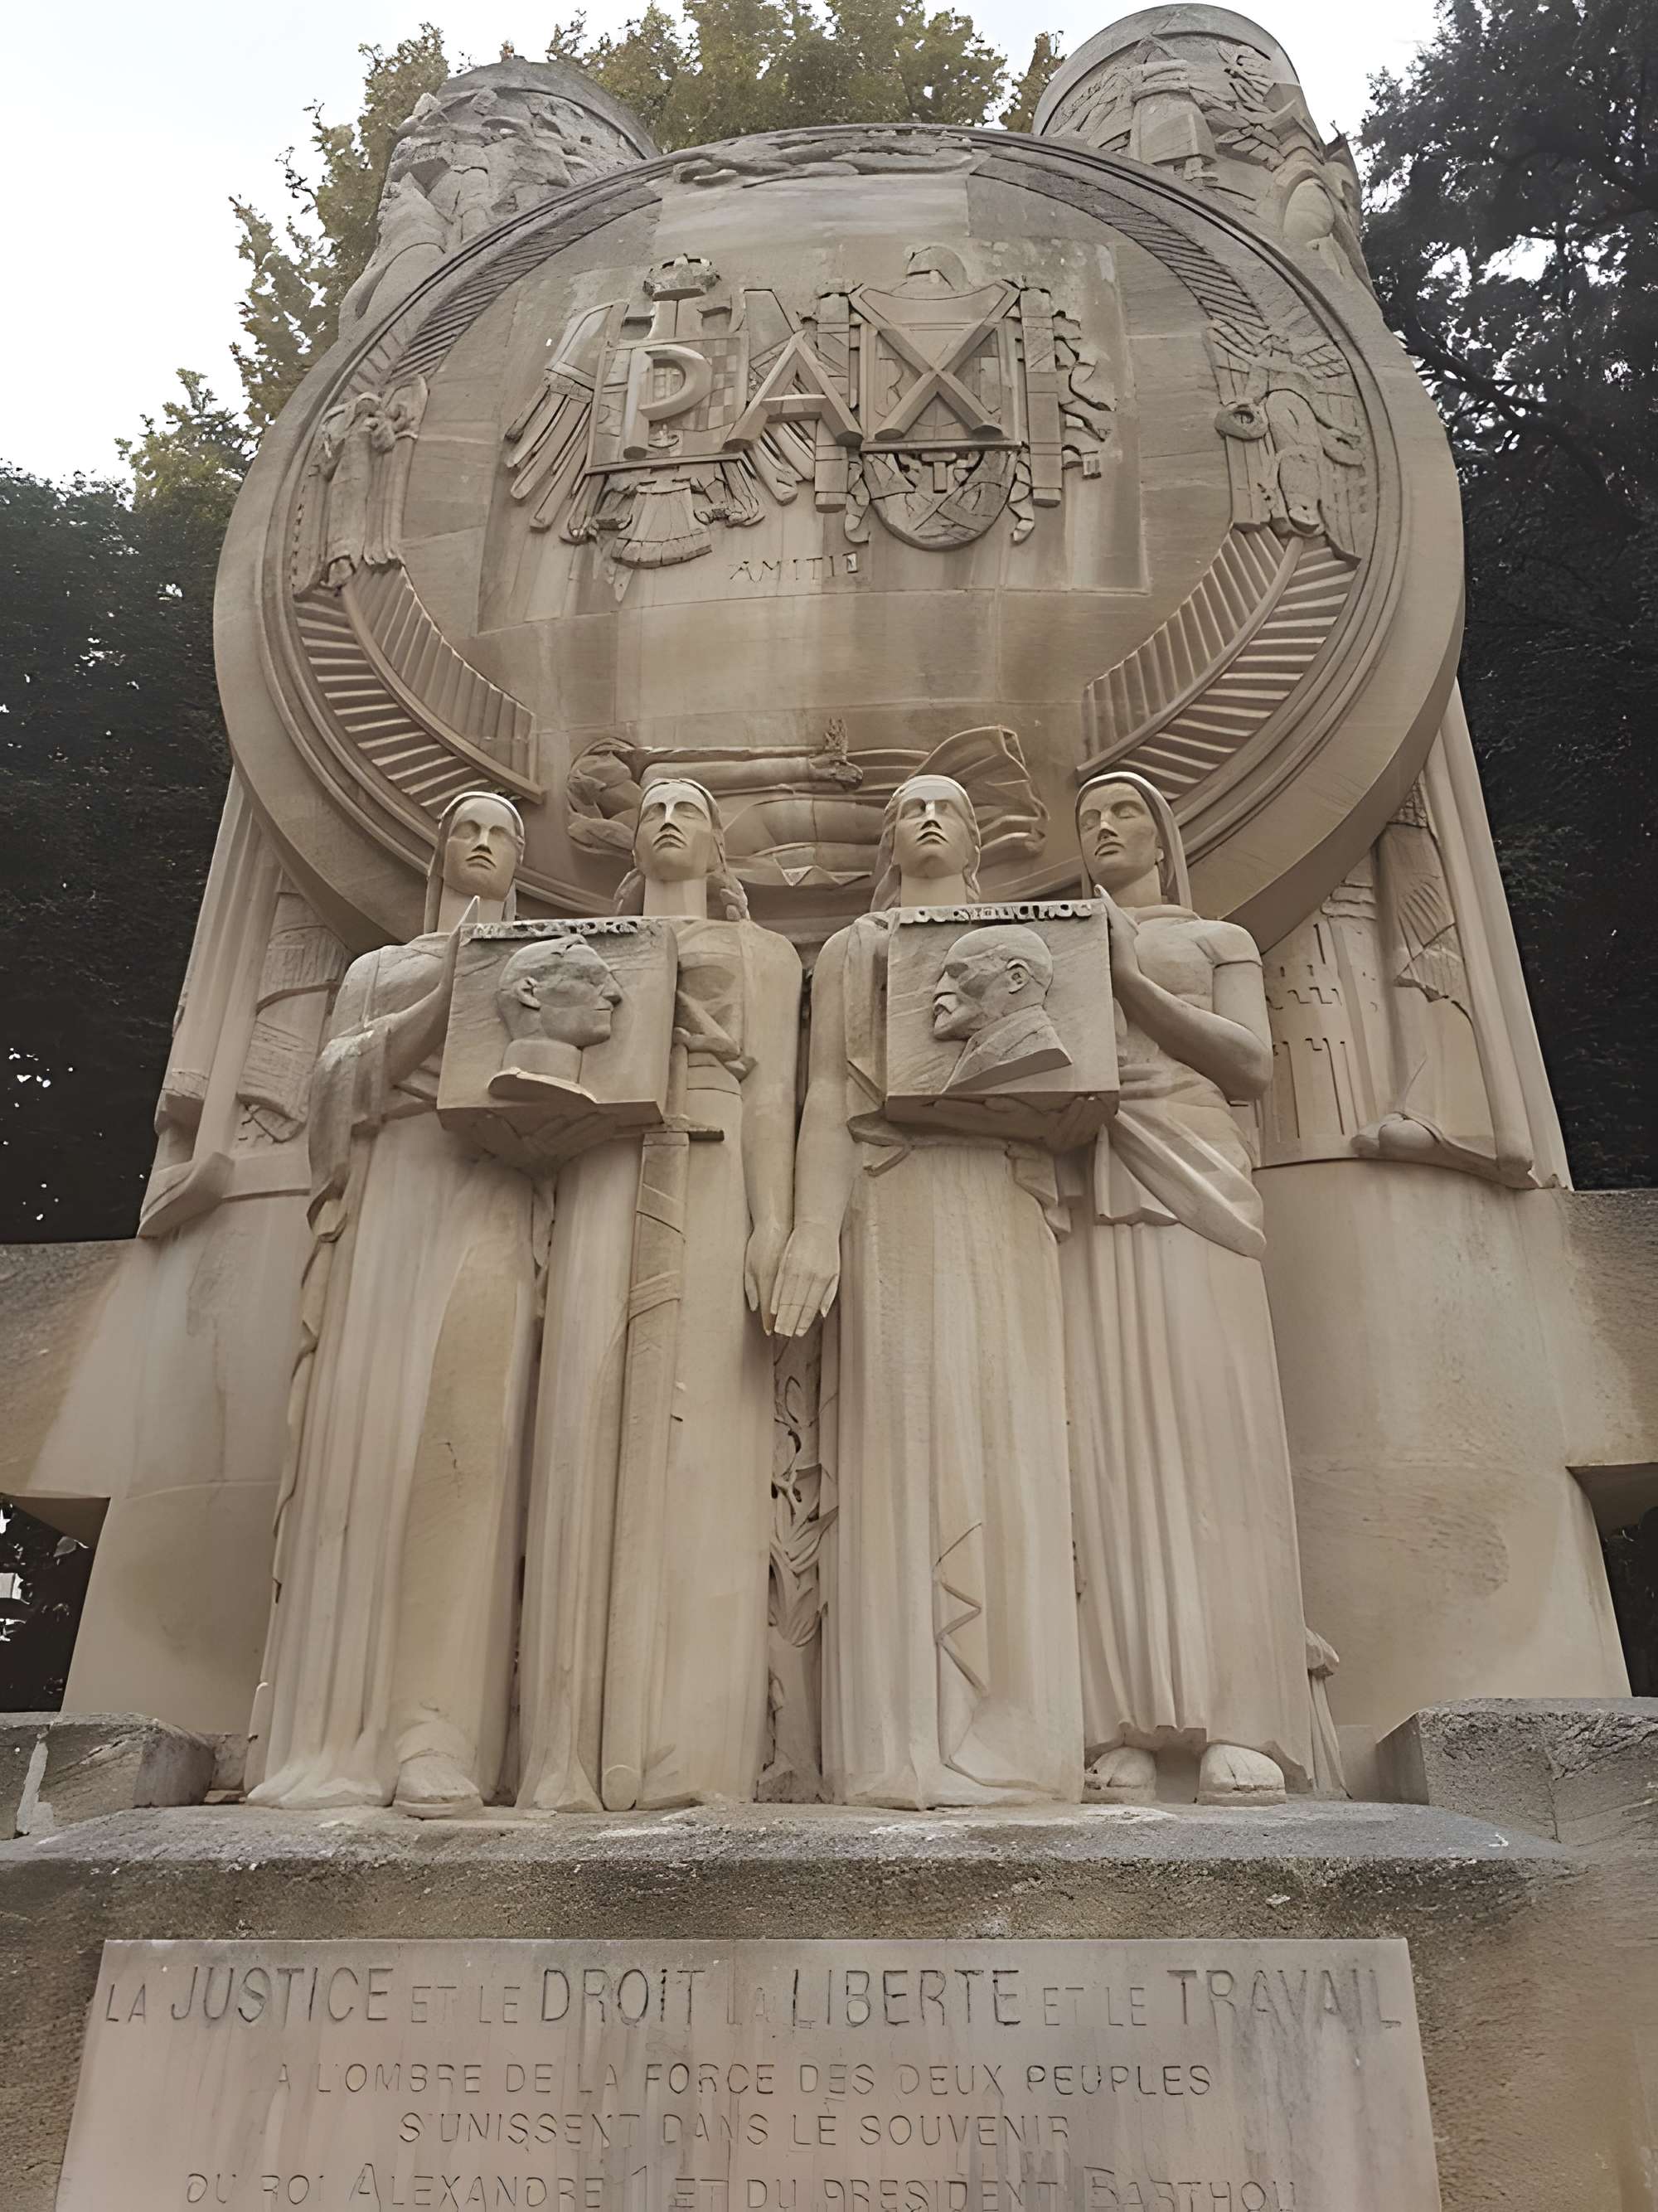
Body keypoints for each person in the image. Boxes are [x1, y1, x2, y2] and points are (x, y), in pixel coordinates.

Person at [770, 775, 1083, 1808]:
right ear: (889, 841)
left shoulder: (1029, 945)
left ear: (978, 835)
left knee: (1006, 1444)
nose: (928, 818)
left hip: (998, 1203)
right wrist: (812, 1227)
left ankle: (1017, 1737)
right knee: (898, 1443)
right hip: (888, 1205)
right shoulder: (855, 951)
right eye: (907, 808)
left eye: (946, 805)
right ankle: (900, 1742)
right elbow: (824, 1097)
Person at [248, 791, 539, 1817]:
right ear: (440, 853)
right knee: (367, 1450)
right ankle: (335, 1733)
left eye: (501, 833)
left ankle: (442, 1733)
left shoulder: (543, 951)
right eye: (466, 828)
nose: (480, 843)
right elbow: (335, 1090)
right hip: (396, 1196)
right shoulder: (378, 967)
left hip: (497, 1194)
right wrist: (438, 1002)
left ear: (520, 859)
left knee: (474, 1450)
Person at [517, 781, 801, 1811]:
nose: (669, 818)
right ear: (630, 841)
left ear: (719, 841)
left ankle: (686, 1745)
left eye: (689, 806)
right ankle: (562, 1749)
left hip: (718, 1164)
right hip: (605, 1159)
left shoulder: (765, 957)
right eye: (652, 809)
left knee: (704, 1439)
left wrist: (776, 1221)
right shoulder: (593, 944)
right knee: (581, 1430)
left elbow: (772, 1089)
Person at [1063, 772, 1313, 1805]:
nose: (1106, 828)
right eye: (1089, 818)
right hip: (1091, 1182)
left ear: (1160, 831)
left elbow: (1248, 1062)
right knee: (1106, 1453)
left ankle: (1238, 1718)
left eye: (1124, 811)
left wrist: (1130, 984)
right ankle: (1120, 1719)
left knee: (1215, 1444)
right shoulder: (1065, 937)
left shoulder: (1217, 942)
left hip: (1198, 1178)